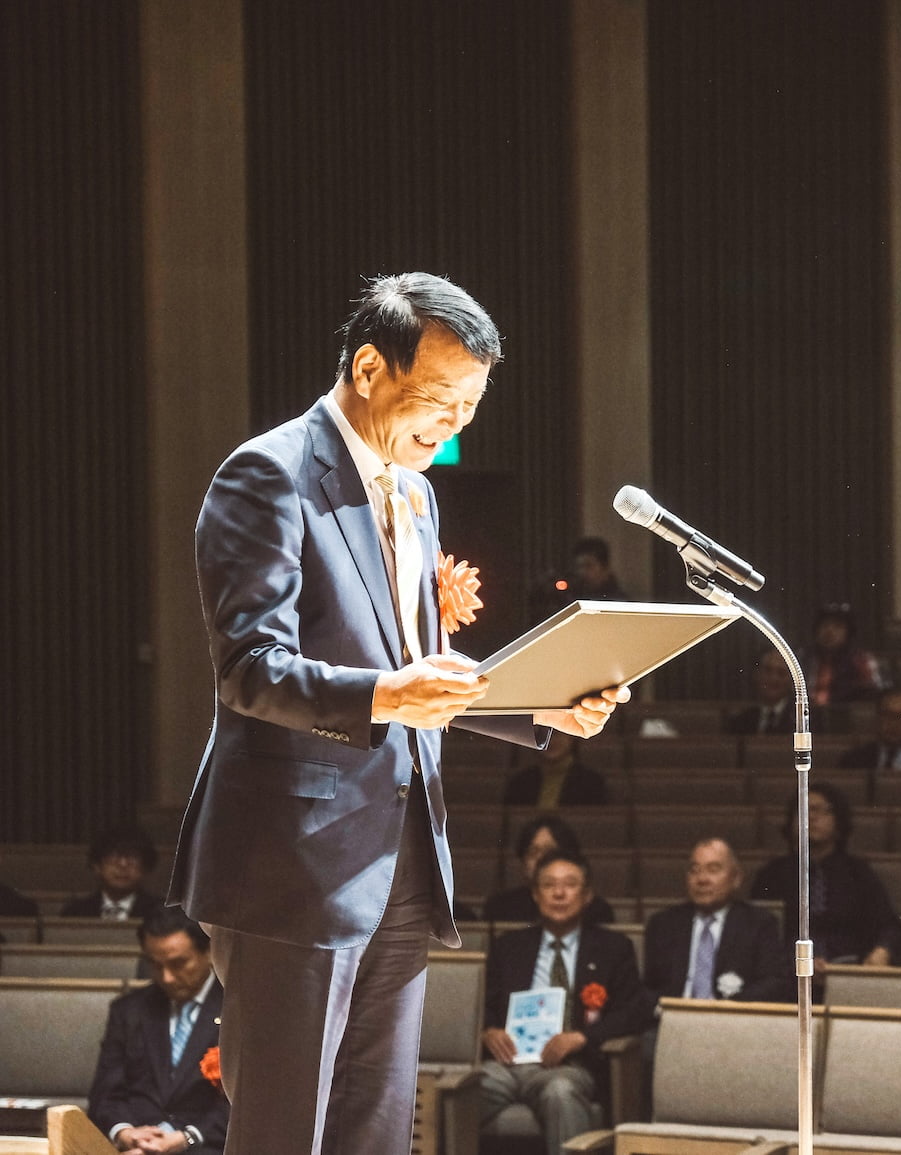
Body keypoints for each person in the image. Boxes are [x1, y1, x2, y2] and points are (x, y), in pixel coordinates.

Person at [165, 273, 627, 1155]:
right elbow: (249, 670)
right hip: (292, 866)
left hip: (404, 858)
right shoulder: (267, 473)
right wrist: (386, 693)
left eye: (470, 406)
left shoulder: (415, 492)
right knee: (281, 1133)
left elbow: (422, 681)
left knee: (375, 1134)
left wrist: (545, 715)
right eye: (441, 399)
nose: (454, 425)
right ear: (370, 365)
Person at [478, 851, 654, 1154]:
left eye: (570, 885)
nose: (559, 893)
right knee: (462, 1089)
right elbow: (482, 1006)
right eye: (549, 885)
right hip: (508, 1064)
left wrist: (582, 1037)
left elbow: (633, 1010)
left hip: (570, 1067)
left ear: (587, 896)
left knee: (560, 1092)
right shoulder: (509, 946)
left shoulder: (613, 948)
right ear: (535, 894)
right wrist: (489, 1031)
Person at [88, 909, 229, 1152]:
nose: (167, 978)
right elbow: (106, 1093)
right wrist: (125, 1132)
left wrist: (187, 1137)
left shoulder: (234, 1011)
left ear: (208, 953)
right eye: (156, 965)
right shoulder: (129, 1011)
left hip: (207, 1147)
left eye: (178, 964)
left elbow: (242, 1104)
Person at [751, 782, 901, 968]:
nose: (811, 817)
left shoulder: (858, 873)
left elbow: (889, 926)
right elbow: (756, 933)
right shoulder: (771, 875)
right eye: (803, 810)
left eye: (821, 810)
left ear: (839, 822)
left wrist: (882, 950)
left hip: (847, 970)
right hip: (788, 973)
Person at [643, 838, 785, 1002]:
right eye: (694, 870)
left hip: (733, 1019)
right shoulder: (663, 924)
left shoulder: (758, 923)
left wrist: (726, 1009)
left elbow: (773, 983)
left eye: (713, 870)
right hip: (674, 1017)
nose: (702, 879)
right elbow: (649, 988)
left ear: (736, 878)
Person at [486, 815, 618, 926]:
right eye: (533, 852)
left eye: (549, 851)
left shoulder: (596, 910)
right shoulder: (500, 907)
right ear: (523, 863)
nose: (541, 859)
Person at [62, 825, 164, 921]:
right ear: (97, 866)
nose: (123, 864)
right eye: (114, 856)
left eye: (132, 857)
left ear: (145, 868)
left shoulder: (162, 912)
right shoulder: (75, 912)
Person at [800, 603, 887, 708]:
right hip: (807, 715)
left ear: (848, 632)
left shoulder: (861, 659)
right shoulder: (803, 658)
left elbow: (876, 693)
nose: (829, 631)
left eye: (837, 626)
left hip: (846, 717)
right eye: (825, 625)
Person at [503, 729, 610, 810]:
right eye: (545, 736)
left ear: (571, 737)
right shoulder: (520, 781)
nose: (552, 741)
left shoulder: (591, 782)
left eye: (558, 734)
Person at [725, 649, 797, 736]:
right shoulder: (740, 722)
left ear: (791, 680)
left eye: (781, 673)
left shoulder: (802, 721)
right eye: (768, 671)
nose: (774, 679)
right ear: (757, 674)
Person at [571, 536, 630, 601]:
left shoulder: (620, 601)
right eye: (579, 566)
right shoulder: (574, 596)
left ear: (605, 567)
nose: (582, 572)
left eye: (588, 566)